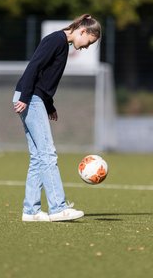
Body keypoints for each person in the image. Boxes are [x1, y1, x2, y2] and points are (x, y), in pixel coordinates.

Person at [13, 14, 101, 222]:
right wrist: (26, 97)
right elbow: (33, 67)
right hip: (29, 98)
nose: (86, 47)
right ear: (83, 31)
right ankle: (58, 208)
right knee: (48, 154)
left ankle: (31, 211)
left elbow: (45, 79)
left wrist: (49, 104)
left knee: (38, 156)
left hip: (34, 98)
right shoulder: (56, 41)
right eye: (88, 42)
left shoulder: (62, 44)